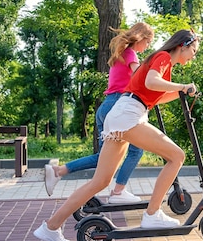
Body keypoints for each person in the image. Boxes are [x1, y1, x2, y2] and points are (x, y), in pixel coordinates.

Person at [34, 29, 200, 241]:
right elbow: (152, 82)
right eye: (194, 51)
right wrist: (181, 86)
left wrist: (181, 92)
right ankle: (152, 214)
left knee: (100, 181)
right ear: (183, 46)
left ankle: (51, 227)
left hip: (123, 113)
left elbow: (155, 95)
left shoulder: (162, 64)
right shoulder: (163, 58)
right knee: (177, 156)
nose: (193, 56)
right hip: (129, 115)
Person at [44, 22, 154, 204]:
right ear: (141, 38)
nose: (148, 46)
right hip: (119, 106)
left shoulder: (120, 54)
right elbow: (139, 76)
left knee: (104, 158)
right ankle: (119, 191)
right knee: (136, 150)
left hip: (107, 106)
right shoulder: (130, 53)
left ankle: (59, 171)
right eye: (148, 42)